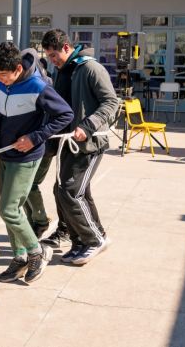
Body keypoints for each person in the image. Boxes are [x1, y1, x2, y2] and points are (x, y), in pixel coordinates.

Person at [0, 43, 74, 283]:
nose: (0, 79)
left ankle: (36, 253)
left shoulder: (38, 86)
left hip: (27, 156)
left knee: (9, 209)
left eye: (4, 75)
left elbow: (66, 115)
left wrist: (35, 137)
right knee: (10, 210)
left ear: (17, 69)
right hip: (5, 152)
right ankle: (19, 257)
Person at [42, 29, 119, 265]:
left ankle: (95, 239)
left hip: (89, 144)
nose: (52, 61)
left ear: (66, 47)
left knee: (71, 191)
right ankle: (79, 241)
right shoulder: (65, 70)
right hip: (68, 142)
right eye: (49, 57)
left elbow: (111, 102)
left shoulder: (91, 68)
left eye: (54, 55)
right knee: (66, 191)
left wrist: (87, 126)